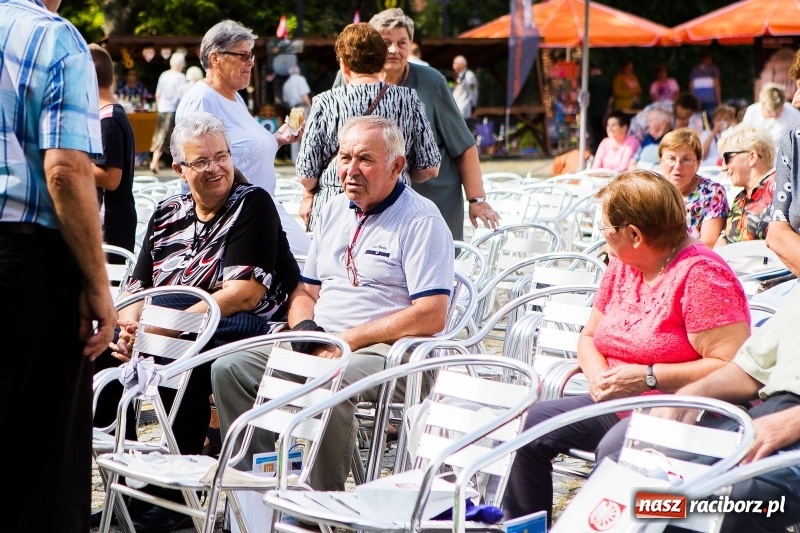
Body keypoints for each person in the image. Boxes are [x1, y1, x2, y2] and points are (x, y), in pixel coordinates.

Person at [211, 115, 454, 491]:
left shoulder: (421, 220)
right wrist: (306, 330)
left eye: (365, 159)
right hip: (327, 340)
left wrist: (346, 340)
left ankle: (321, 506)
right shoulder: (334, 209)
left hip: (392, 352)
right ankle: (256, 489)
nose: (350, 170)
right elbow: (306, 291)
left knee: (327, 381)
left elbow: (431, 315)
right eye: (344, 157)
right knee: (230, 369)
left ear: (397, 166)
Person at [502, 169, 751, 525]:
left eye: (605, 228)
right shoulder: (623, 265)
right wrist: (598, 376)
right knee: (530, 425)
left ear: (634, 234)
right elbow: (589, 336)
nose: (601, 235)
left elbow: (734, 366)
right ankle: (525, 529)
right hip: (618, 402)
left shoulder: (702, 276)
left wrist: (648, 377)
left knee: (618, 451)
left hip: (682, 413)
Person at [93, 111, 300, 532]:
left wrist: (161, 329)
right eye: (201, 160)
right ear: (179, 168)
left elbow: (244, 293)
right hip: (168, 326)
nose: (214, 168)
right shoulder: (168, 212)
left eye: (221, 156)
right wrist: (130, 329)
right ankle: (126, 483)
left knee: (184, 351)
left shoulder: (251, 204)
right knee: (103, 350)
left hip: (244, 326)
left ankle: (176, 500)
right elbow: (137, 287)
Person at [0, 1, 117, 531]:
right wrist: (98, 284)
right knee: (44, 465)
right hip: (27, 266)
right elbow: (66, 171)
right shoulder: (54, 37)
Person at [647, 289, 800, 533]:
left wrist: (792, 421)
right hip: (772, 413)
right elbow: (751, 368)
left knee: (727, 504)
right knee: (642, 471)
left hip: (788, 423)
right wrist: (690, 396)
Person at [355, 8, 499, 241]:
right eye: (386, 42)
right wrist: (309, 194)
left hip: (432, 201)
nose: (393, 49)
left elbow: (463, 145)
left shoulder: (431, 82)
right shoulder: (352, 77)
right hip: (370, 201)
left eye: (402, 43)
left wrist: (477, 200)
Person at [176, 19, 310, 256]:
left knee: (310, 264)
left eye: (251, 55)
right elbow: (194, 168)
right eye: (242, 55)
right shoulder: (202, 100)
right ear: (215, 58)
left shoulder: (234, 96)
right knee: (309, 264)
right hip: (233, 218)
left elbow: (241, 150)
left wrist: (277, 139)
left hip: (257, 210)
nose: (250, 62)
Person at [297, 23, 440, 232]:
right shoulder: (408, 99)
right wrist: (397, 172)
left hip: (336, 209)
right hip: (393, 206)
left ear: (344, 64)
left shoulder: (325, 102)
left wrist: (311, 192)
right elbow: (430, 167)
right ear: (382, 61)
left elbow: (306, 175)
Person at [88, 44, 137, 256]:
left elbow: (111, 179)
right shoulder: (110, 114)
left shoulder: (108, 119)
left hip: (110, 222)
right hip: (113, 219)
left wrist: (74, 161)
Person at [658, 128, 729, 248]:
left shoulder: (712, 193)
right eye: (671, 159)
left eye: (686, 159)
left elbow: (708, 243)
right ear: (660, 161)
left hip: (693, 257)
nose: (678, 166)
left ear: (698, 163)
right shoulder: (653, 191)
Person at [715, 124, 776, 246]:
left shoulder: (780, 187)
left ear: (752, 157)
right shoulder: (740, 199)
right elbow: (724, 241)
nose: (723, 167)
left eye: (727, 158)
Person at [149, 52, 188, 174]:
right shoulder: (181, 77)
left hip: (162, 109)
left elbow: (158, 94)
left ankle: (156, 161)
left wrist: (159, 106)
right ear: (181, 64)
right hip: (174, 110)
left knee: (161, 135)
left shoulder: (164, 75)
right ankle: (155, 162)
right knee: (176, 137)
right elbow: (183, 96)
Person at [741, 83, 800, 147]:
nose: (774, 114)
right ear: (762, 104)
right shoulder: (752, 111)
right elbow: (744, 135)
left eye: (778, 112)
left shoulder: (793, 114)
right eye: (769, 112)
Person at [282, 65, 312, 164]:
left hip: (293, 109)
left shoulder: (286, 84)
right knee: (307, 132)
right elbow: (304, 94)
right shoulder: (300, 79)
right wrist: (311, 106)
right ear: (298, 71)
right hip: (302, 107)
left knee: (294, 134)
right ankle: (307, 157)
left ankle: (295, 159)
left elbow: (285, 101)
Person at [690, 52, 721, 123]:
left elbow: (691, 85)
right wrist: (719, 101)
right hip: (706, 99)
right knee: (707, 119)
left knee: (704, 119)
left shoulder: (695, 70)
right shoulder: (713, 69)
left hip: (705, 99)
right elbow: (717, 85)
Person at [588, 63, 613, 152]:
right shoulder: (607, 81)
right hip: (604, 111)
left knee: (594, 132)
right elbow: (611, 97)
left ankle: (596, 150)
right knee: (603, 131)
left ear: (593, 70)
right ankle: (604, 149)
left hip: (592, 111)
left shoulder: (590, 81)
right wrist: (608, 109)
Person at [452, 54, 479, 127]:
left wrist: (473, 106)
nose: (454, 66)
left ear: (463, 65)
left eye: (456, 63)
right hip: (457, 110)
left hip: (464, 110)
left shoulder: (469, 76)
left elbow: (474, 91)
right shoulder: (459, 77)